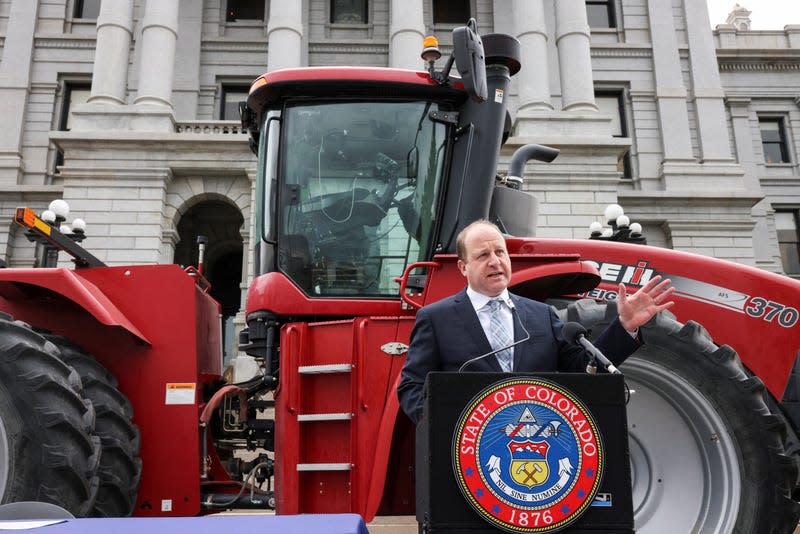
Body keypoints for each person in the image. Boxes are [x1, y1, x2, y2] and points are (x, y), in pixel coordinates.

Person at [397, 220, 675, 424]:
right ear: (463, 267)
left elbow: (582, 369)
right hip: (467, 453)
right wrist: (441, 426)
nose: (495, 262)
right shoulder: (436, 318)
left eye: (500, 252)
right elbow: (411, 387)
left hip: (537, 446)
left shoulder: (541, 315)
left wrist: (624, 326)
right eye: (483, 255)